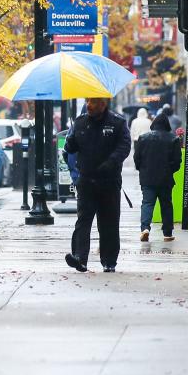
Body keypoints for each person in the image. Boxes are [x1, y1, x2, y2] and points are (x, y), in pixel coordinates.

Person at [63, 97, 131, 273]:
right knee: (83, 220)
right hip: (86, 181)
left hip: (109, 181)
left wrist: (112, 162)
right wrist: (69, 143)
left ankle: (109, 261)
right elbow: (70, 149)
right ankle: (79, 258)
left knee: (108, 222)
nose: (89, 105)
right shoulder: (79, 123)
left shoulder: (117, 123)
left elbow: (125, 146)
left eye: (93, 102)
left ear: (103, 104)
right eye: (87, 101)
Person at [134, 110, 182, 243]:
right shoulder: (173, 139)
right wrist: (169, 170)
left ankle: (145, 228)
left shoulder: (143, 138)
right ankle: (167, 233)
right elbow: (177, 162)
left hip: (147, 178)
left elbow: (137, 158)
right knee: (166, 204)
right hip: (165, 178)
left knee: (147, 203)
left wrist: (142, 170)